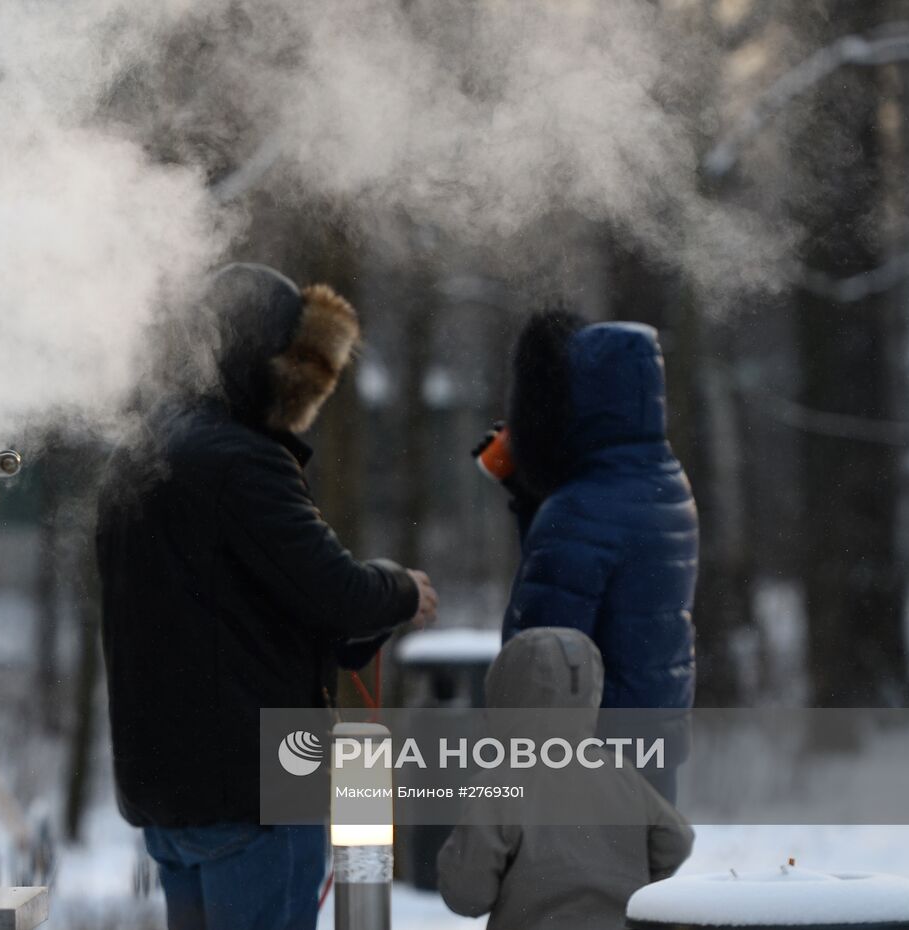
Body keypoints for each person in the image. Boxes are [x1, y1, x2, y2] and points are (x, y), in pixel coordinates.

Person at [96, 262, 439, 930]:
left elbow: (239, 610)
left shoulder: (139, 453)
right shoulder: (244, 461)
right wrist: (402, 590)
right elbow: (336, 591)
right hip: (257, 793)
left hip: (168, 797)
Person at [495, 311, 698, 800]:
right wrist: (531, 502)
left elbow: (541, 659)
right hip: (654, 744)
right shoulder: (667, 483)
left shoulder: (579, 509)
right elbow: (586, 586)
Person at [437, 627, 695, 929]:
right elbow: (677, 840)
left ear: (504, 694)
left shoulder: (500, 783)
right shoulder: (619, 773)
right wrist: (626, 881)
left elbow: (467, 894)